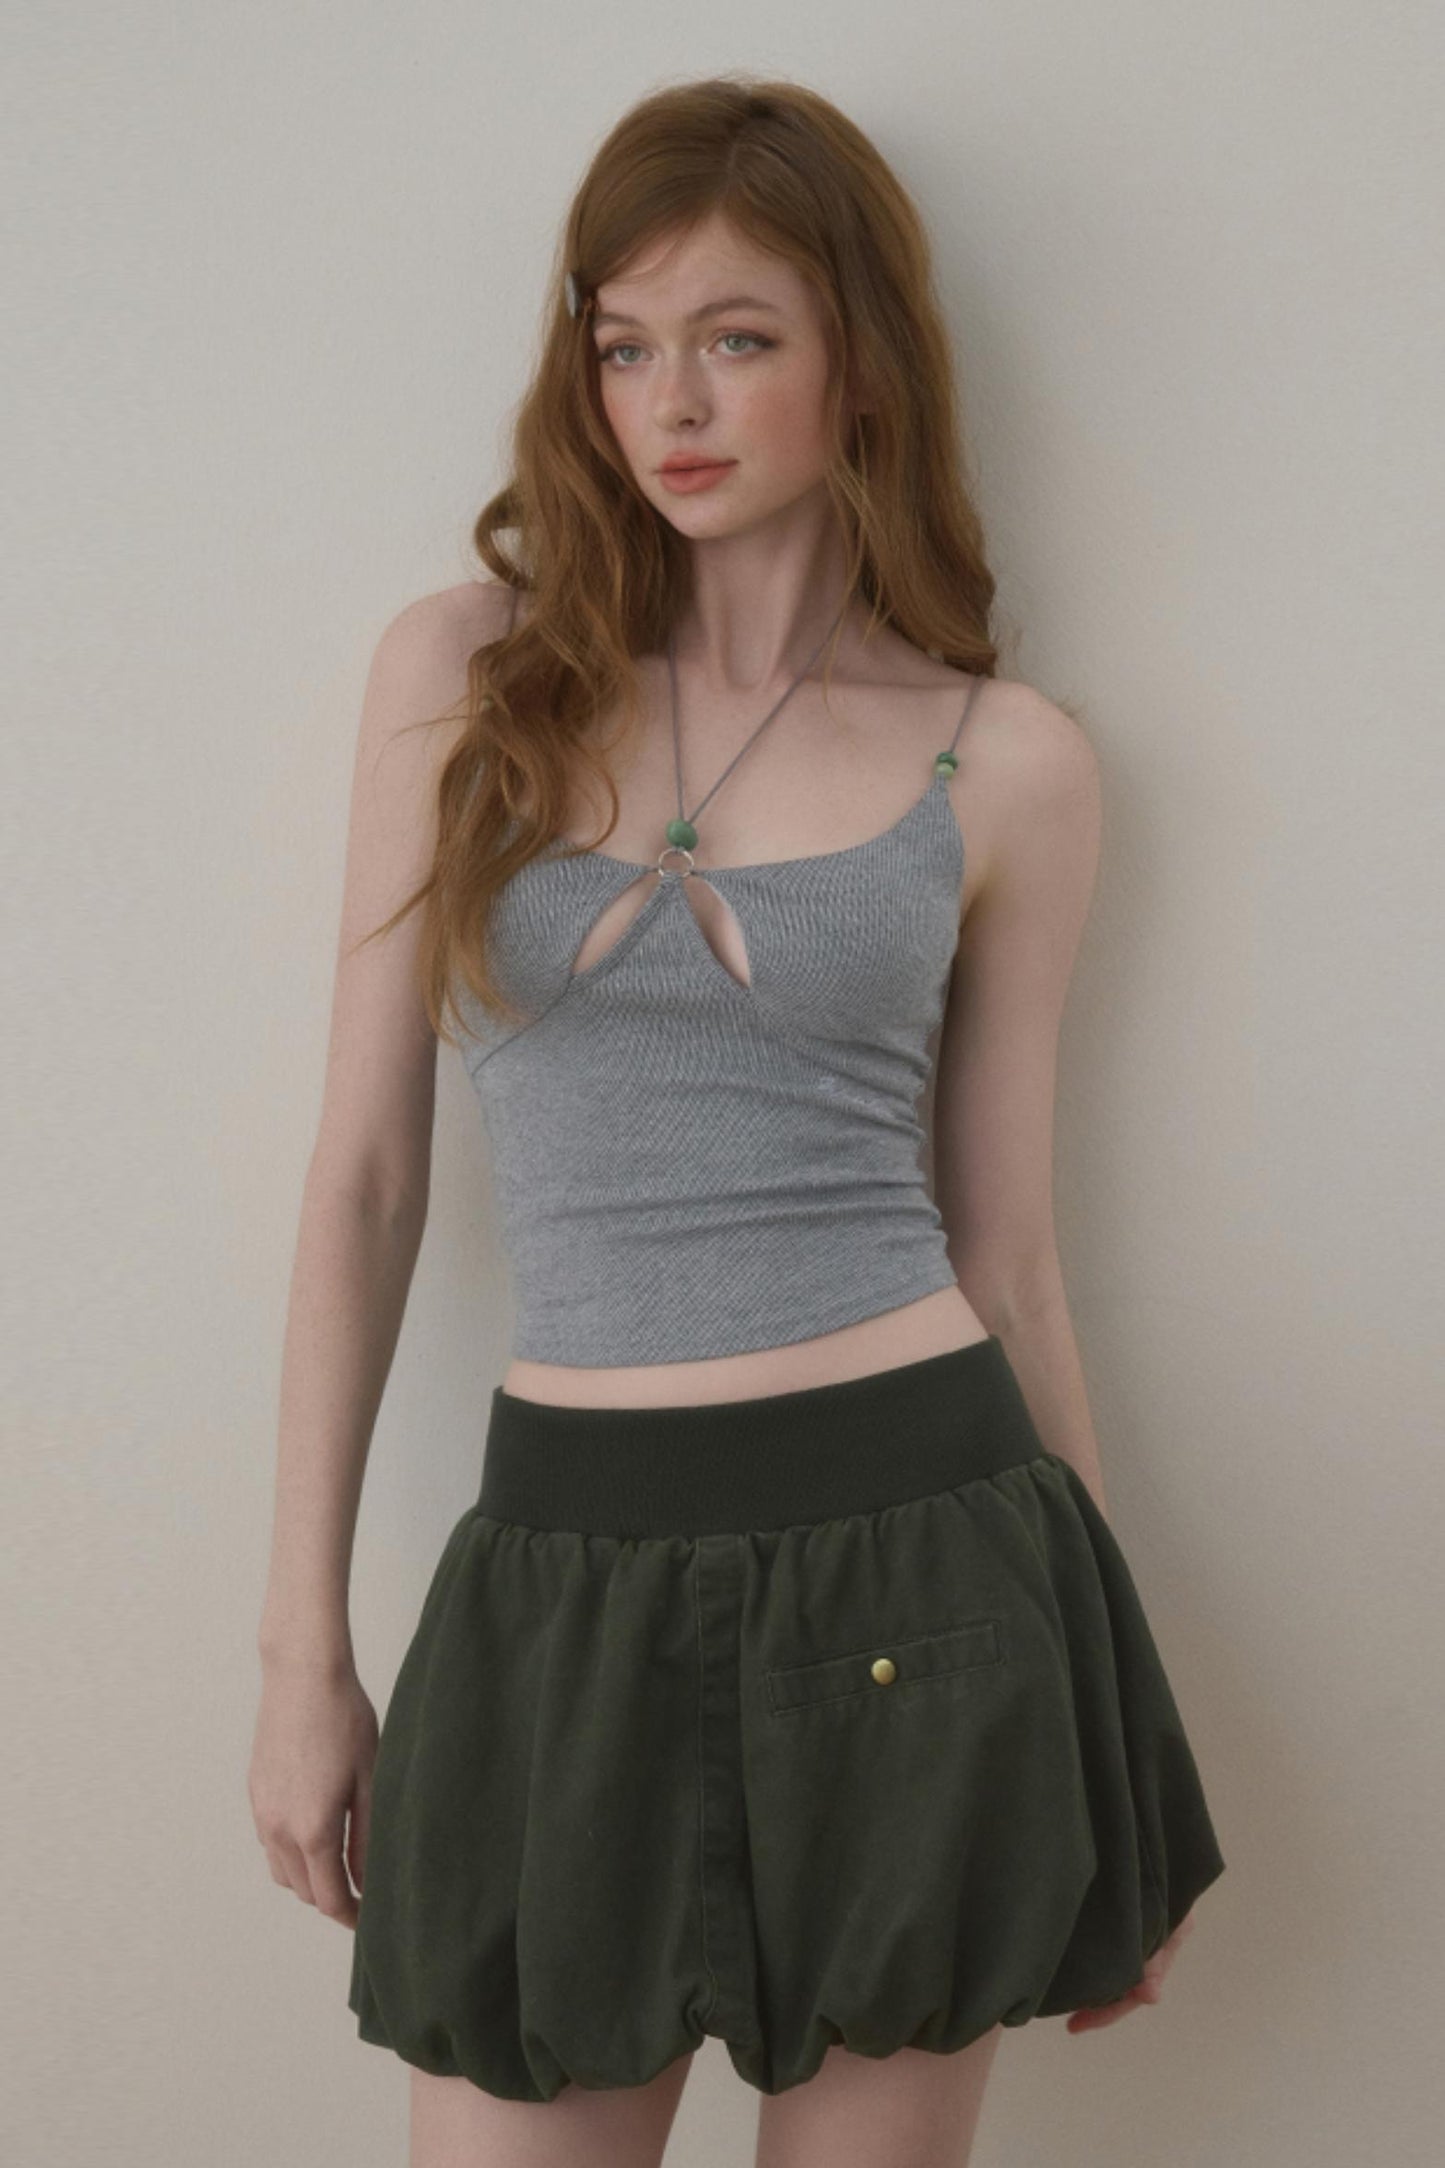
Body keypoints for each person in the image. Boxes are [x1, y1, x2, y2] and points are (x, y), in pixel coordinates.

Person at [249, 74, 1225, 2168]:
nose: (670, 403)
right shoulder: (464, 675)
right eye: (624, 345)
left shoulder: (1007, 761)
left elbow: (1010, 1253)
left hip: (927, 1561)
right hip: (556, 1586)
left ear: (859, 361)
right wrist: (299, 1648)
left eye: (736, 337)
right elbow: (365, 1180)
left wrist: (1116, 1722)